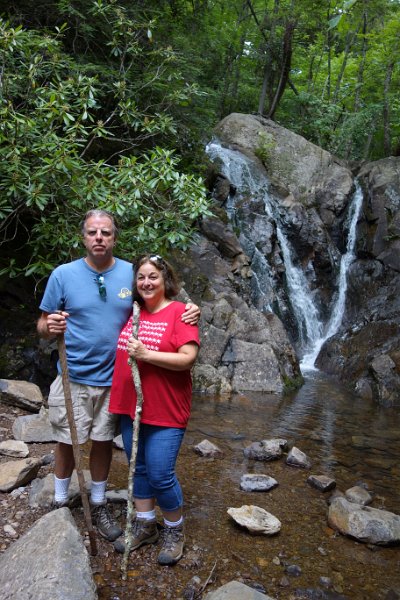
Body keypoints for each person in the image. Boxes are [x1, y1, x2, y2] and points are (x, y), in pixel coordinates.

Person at [37, 209, 200, 542]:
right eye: (93, 232)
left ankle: (98, 502)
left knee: (101, 442)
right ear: (83, 237)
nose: (99, 238)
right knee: (67, 440)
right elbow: (42, 324)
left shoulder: (130, 273)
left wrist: (191, 309)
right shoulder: (63, 275)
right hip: (73, 376)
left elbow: (159, 296)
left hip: (115, 381)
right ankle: (59, 498)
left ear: (115, 237)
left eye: (106, 233)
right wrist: (48, 327)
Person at [109, 254, 200, 565]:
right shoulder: (130, 312)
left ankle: (174, 530)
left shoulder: (180, 313)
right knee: (139, 470)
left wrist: (147, 354)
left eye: (153, 277)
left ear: (166, 281)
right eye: (141, 278)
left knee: (161, 474)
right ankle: (145, 524)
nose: (146, 283)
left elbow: (188, 358)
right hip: (129, 407)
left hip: (165, 409)